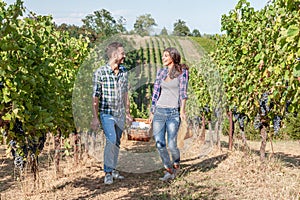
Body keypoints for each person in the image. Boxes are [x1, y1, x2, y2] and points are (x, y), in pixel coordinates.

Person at [91, 41, 133, 185]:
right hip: (106, 113)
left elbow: (125, 94)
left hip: (120, 114)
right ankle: (108, 172)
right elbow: (95, 97)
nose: (124, 56)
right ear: (114, 55)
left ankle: (114, 169)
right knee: (111, 139)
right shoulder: (100, 73)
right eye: (122, 53)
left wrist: (127, 113)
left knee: (116, 142)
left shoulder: (124, 72)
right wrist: (95, 118)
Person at [149, 47, 189, 181]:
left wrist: (182, 110)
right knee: (159, 143)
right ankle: (168, 170)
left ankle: (176, 164)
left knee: (172, 144)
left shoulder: (182, 72)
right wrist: (152, 111)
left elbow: (183, 93)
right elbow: (156, 93)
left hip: (173, 112)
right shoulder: (161, 72)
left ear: (173, 57)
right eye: (163, 56)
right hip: (159, 111)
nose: (163, 58)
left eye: (166, 56)